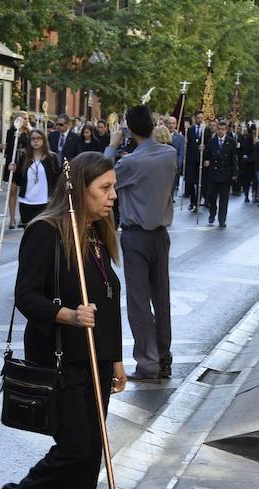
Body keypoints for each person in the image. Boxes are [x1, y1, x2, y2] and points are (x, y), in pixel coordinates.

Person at [1, 151, 126, 489]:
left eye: (113, 187)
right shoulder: (46, 232)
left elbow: (109, 302)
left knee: (91, 457)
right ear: (80, 189)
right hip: (59, 362)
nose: (112, 196)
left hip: (95, 364)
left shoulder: (96, 234)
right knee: (76, 449)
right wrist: (67, 313)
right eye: (104, 188)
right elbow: (25, 296)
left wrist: (116, 359)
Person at [105, 105, 176, 380]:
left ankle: (147, 362)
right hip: (161, 234)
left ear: (130, 129)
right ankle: (164, 356)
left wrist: (112, 146)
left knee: (138, 302)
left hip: (135, 235)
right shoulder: (170, 154)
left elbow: (101, 175)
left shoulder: (130, 163)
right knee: (162, 298)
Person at [11, 128, 60, 227]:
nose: (36, 141)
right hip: (26, 202)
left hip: (45, 202)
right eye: (33, 138)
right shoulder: (24, 158)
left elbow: (57, 180)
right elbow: (18, 180)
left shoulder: (52, 158)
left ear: (44, 140)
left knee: (42, 231)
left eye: (38, 138)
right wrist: (14, 169)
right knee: (28, 231)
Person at [203, 119, 238, 227]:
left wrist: (234, 174)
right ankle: (212, 212)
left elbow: (234, 159)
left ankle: (222, 219)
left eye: (223, 129)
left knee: (224, 199)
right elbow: (208, 155)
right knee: (211, 196)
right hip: (214, 173)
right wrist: (205, 157)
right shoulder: (212, 141)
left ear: (226, 130)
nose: (221, 131)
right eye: (219, 129)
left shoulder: (231, 142)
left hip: (225, 174)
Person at [4, 112, 32, 229]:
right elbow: (9, 149)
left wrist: (27, 150)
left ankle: (23, 217)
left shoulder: (31, 132)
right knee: (12, 190)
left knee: (24, 191)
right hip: (13, 163)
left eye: (27, 118)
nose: (25, 120)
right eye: (23, 118)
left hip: (26, 163)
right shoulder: (11, 132)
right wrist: (9, 163)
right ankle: (11, 219)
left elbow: (33, 147)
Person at [184, 111, 210, 210]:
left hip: (201, 160)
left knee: (199, 182)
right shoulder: (190, 130)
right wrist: (186, 142)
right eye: (198, 118)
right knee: (190, 181)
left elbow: (209, 145)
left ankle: (198, 200)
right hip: (191, 160)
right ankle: (193, 200)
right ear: (195, 118)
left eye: (201, 118)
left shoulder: (206, 130)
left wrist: (205, 149)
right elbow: (188, 145)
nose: (200, 120)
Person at [237, 124, 256, 203]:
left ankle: (254, 194)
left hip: (254, 162)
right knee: (247, 180)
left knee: (254, 180)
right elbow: (245, 148)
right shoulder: (247, 138)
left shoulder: (258, 138)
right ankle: (247, 194)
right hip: (248, 162)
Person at [167, 116, 185, 198]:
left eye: (173, 123)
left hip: (173, 166)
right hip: (162, 165)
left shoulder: (180, 138)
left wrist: (178, 165)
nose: (171, 125)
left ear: (176, 125)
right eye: (169, 123)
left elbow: (181, 153)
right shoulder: (162, 136)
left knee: (171, 188)